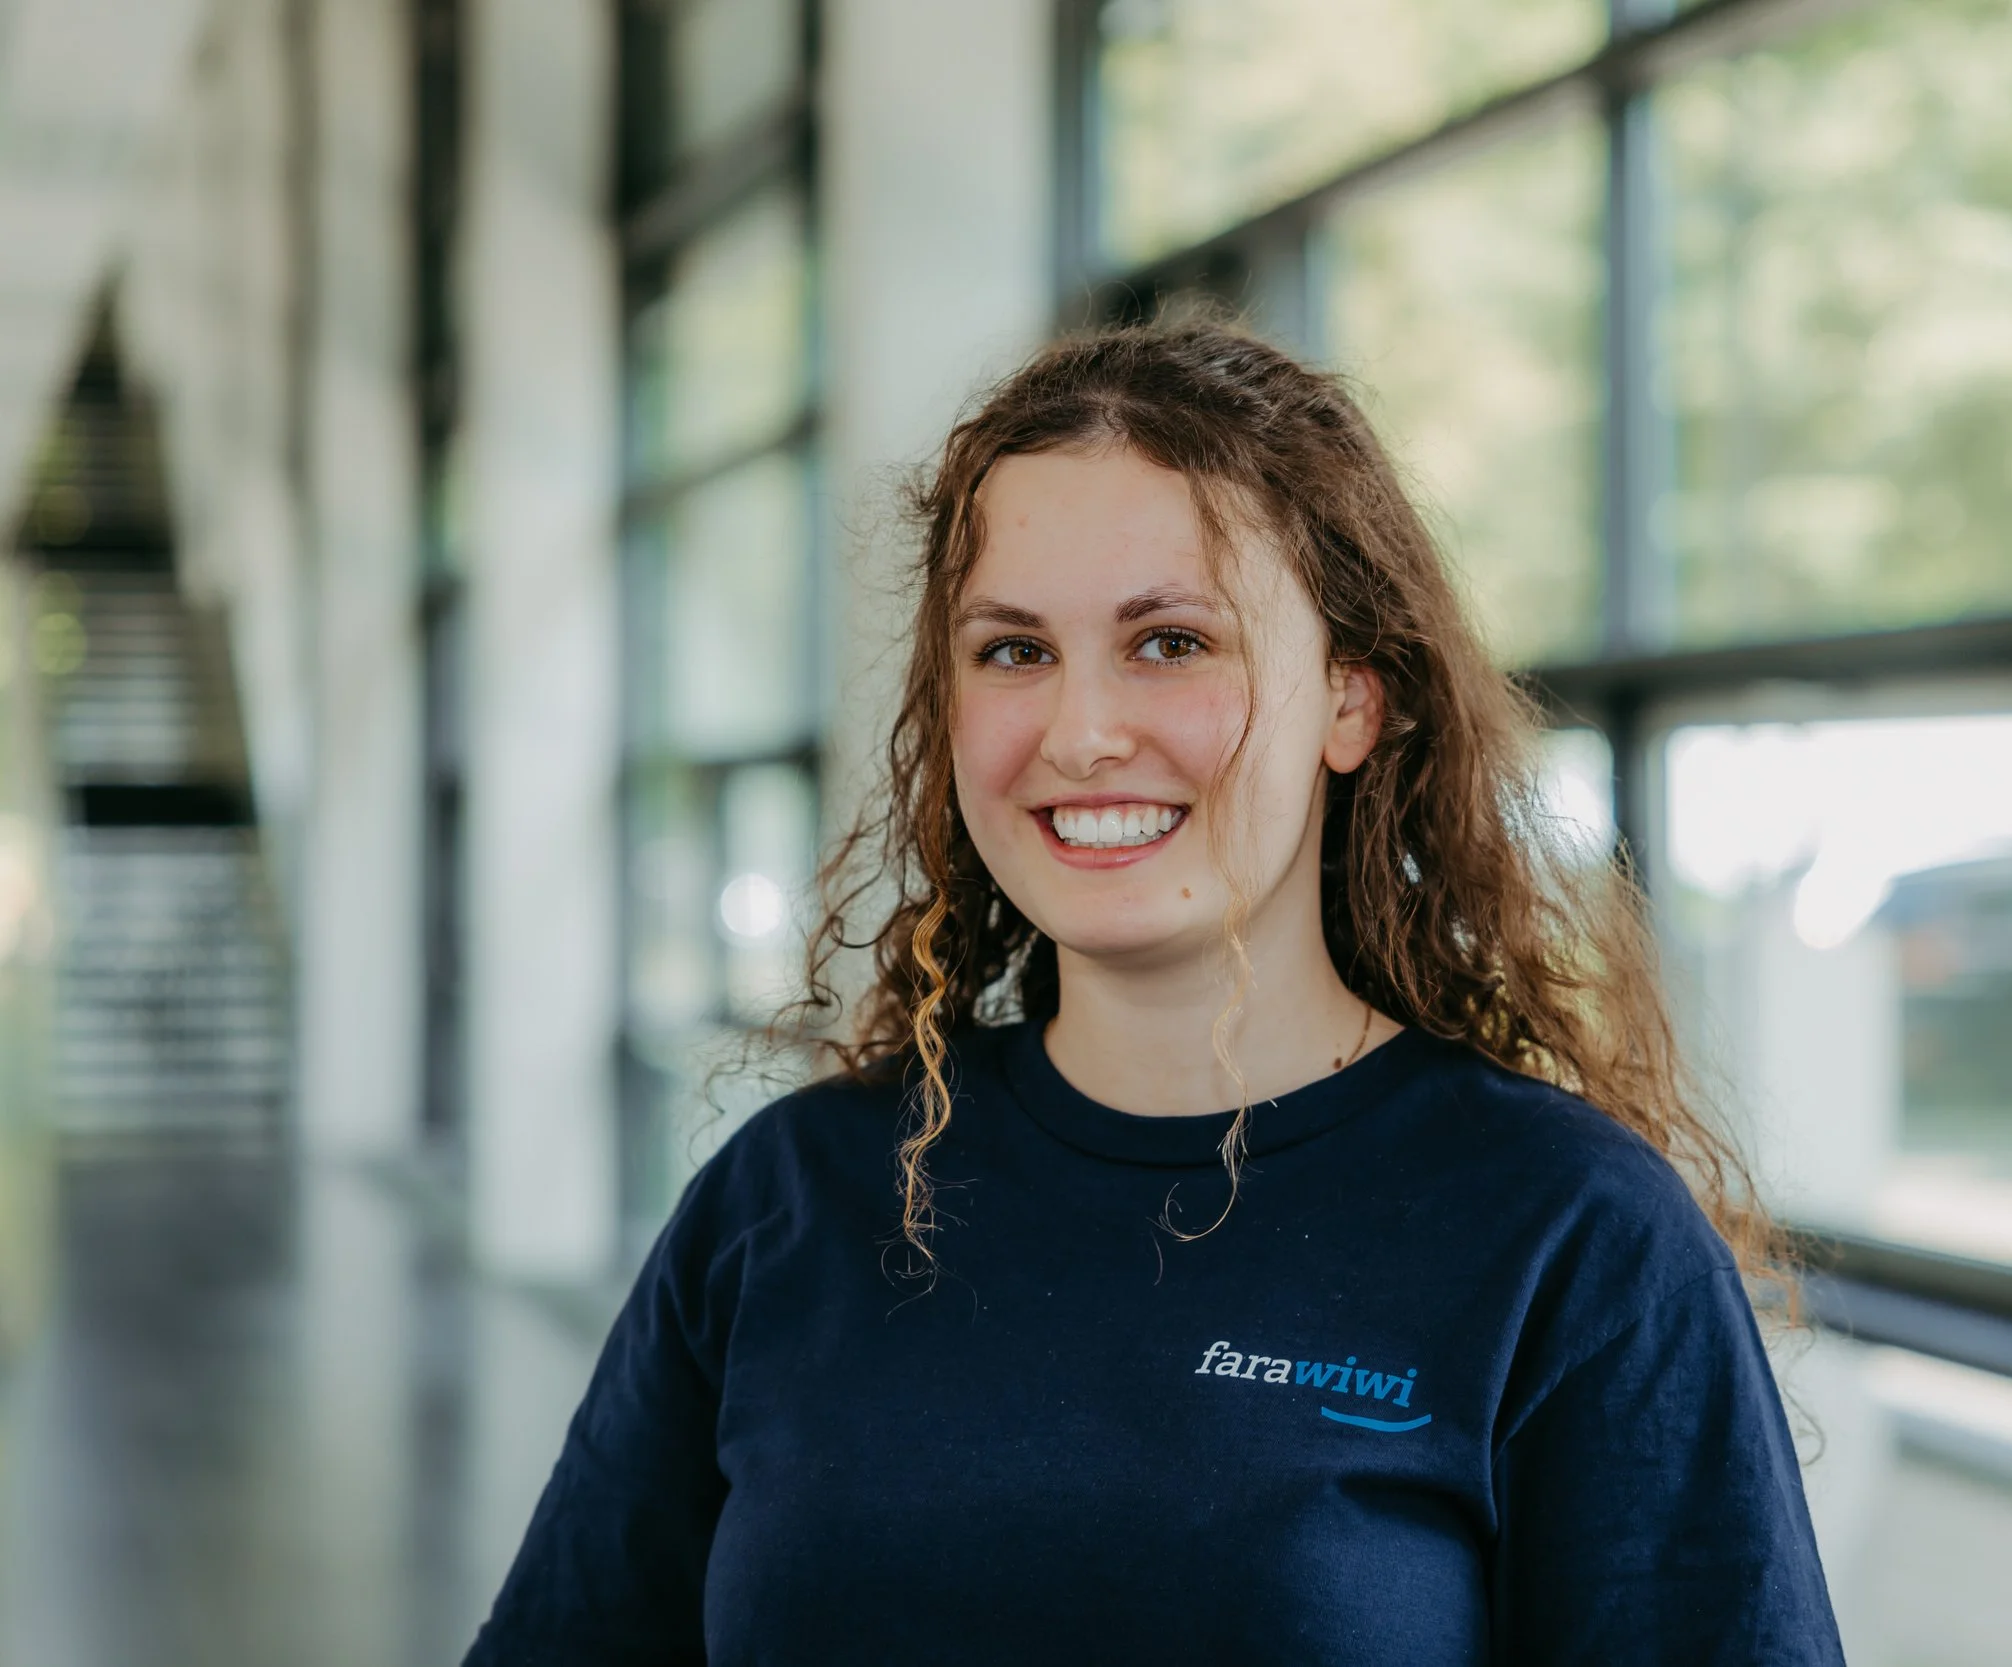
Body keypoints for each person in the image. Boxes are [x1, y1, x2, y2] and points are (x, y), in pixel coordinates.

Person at [464, 321, 1845, 1665]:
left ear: (1352, 700)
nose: (1081, 732)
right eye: (1014, 650)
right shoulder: (794, 1200)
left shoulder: (1572, 1239)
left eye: (1171, 641)